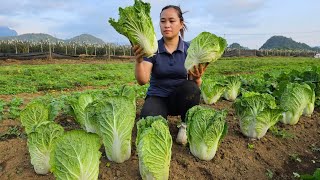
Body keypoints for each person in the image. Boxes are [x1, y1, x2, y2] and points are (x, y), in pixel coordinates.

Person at [132, 5, 207, 145]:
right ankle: (160, 121)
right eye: (163, 21)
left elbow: (195, 86)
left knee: (191, 88)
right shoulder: (153, 48)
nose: (166, 25)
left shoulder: (190, 50)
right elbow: (143, 80)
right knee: (149, 122)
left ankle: (185, 125)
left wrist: (197, 78)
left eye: (171, 21)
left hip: (179, 98)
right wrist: (139, 61)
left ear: (181, 24)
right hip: (158, 97)